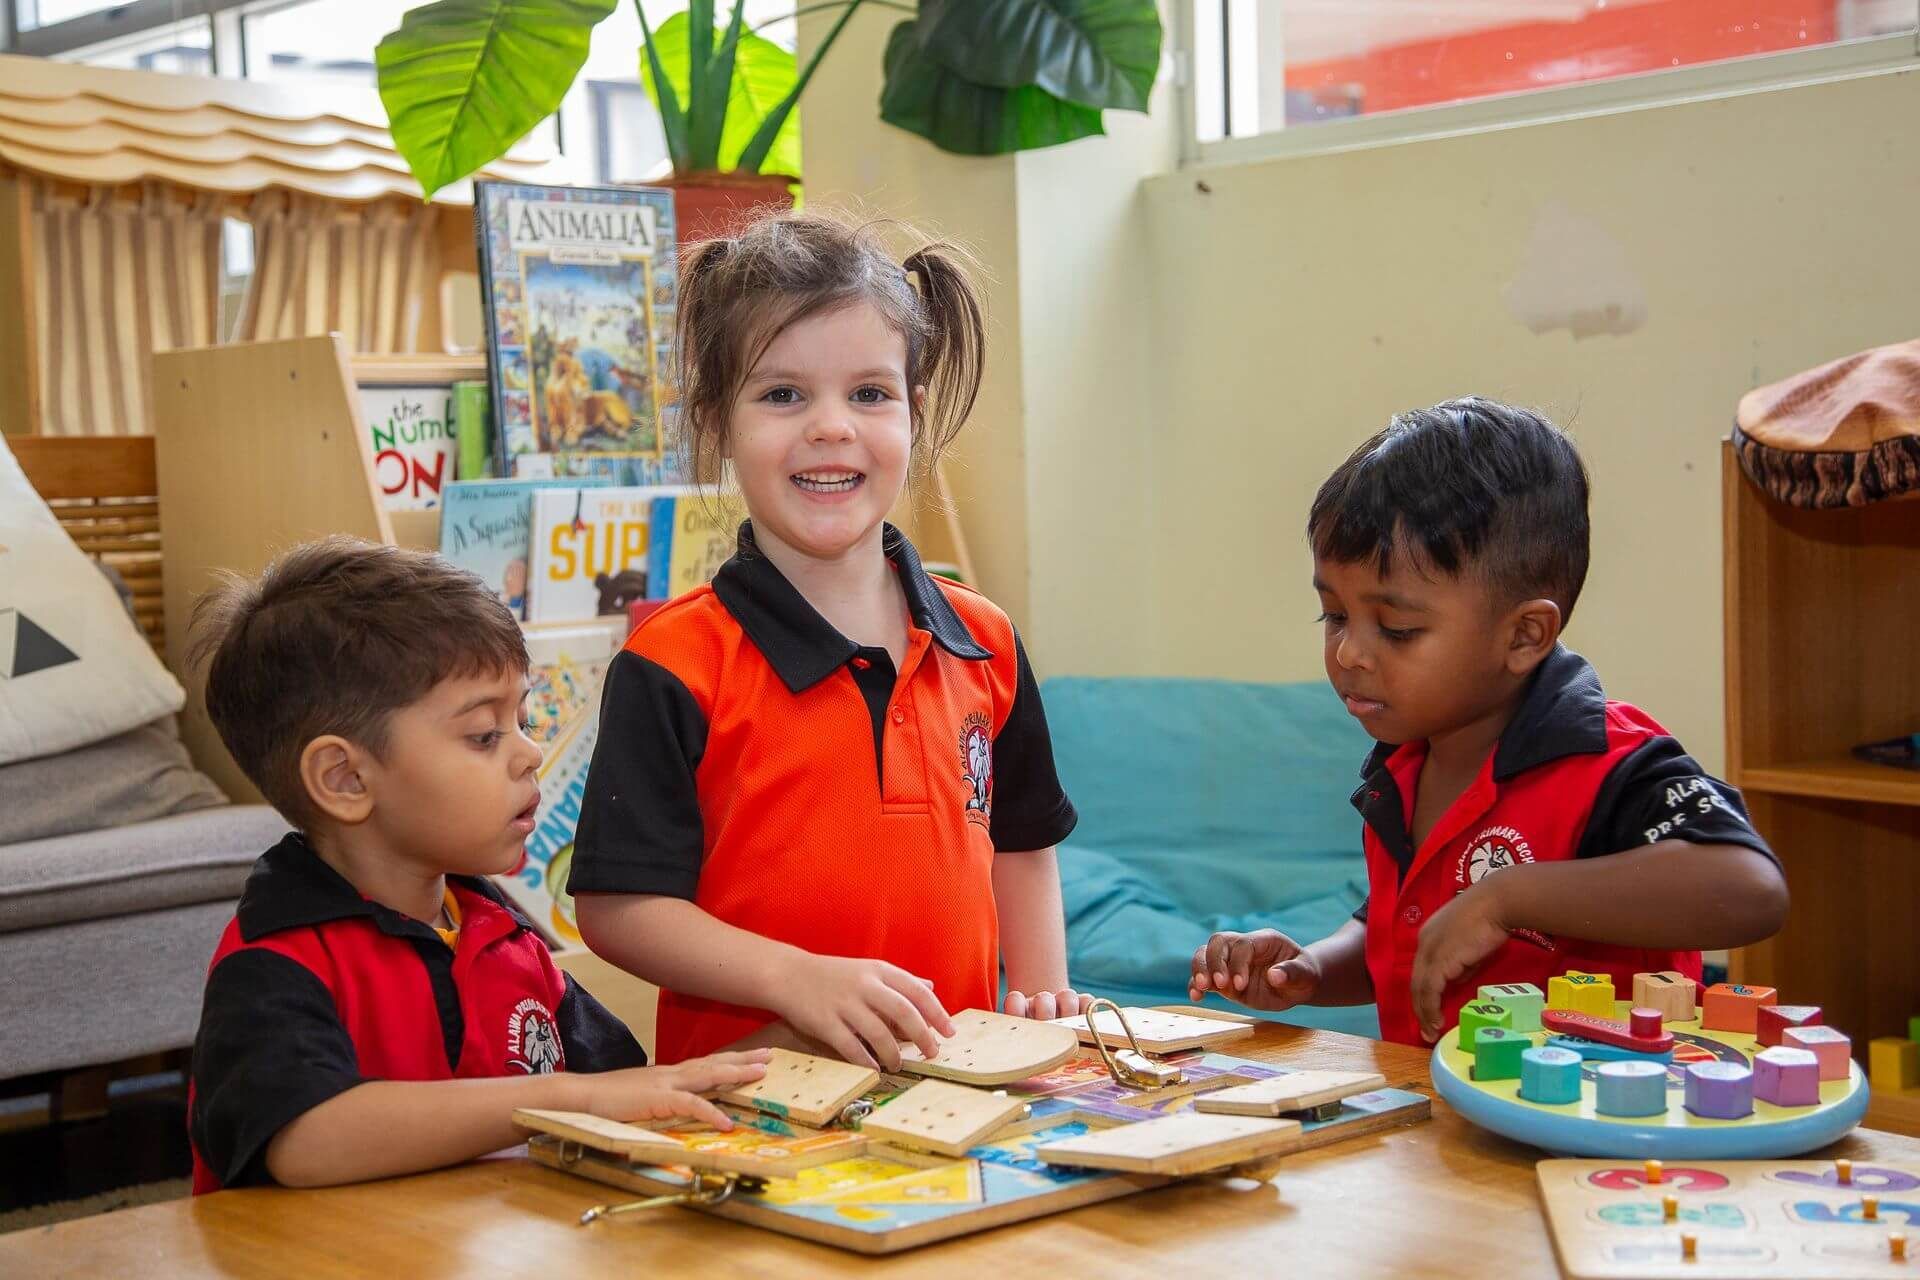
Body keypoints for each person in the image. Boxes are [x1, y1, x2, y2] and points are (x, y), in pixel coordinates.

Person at [574, 213, 1084, 1070]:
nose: (832, 427)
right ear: (716, 419)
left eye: (870, 394)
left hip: (958, 1101)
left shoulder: (984, 640)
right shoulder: (673, 662)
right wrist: (795, 979)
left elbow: (1022, 842)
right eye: (782, 394)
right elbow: (618, 908)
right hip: (756, 1115)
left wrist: (1041, 1003)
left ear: (914, 413)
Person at [1190, 398, 1787, 1045]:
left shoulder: (1607, 762)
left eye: (1396, 628)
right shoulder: (1403, 765)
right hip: (1439, 1125)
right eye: (1334, 616)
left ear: (1525, 635)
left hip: (1600, 1131)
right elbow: (1404, 942)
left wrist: (1508, 897)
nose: (1348, 653)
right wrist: (1307, 969)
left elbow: (1749, 887)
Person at [186, 538, 766, 1191]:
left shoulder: (502, 939)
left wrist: (785, 1043)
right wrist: (563, 1101)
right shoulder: (277, 960)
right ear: (345, 778)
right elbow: (306, 1140)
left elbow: (628, 1090)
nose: (532, 754)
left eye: (522, 720)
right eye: (485, 736)